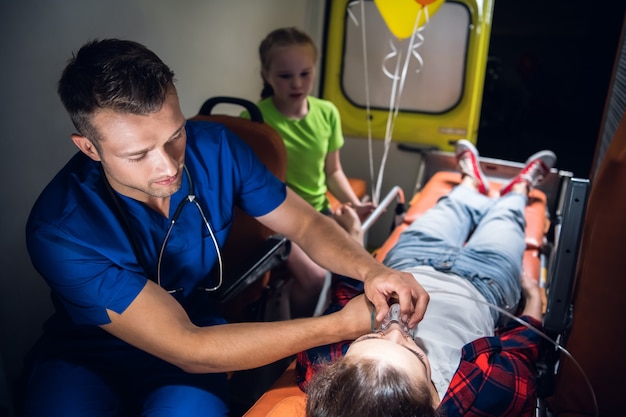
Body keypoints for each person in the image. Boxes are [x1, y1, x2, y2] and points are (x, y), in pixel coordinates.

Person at [20, 38, 429, 417]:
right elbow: (187, 348)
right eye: (138, 154)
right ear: (89, 147)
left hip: (196, 324)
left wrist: (371, 270)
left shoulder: (216, 147)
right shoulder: (60, 228)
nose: (168, 166)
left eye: (175, 134)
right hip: (90, 353)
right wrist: (339, 325)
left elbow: (304, 223)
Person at [298, 139, 555, 417]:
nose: (397, 327)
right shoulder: (490, 395)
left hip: (409, 262)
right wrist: (532, 295)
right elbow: (523, 347)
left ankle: (470, 180)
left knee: (451, 208)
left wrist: (358, 245)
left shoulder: (323, 360)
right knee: (507, 218)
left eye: (373, 336)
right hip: (486, 283)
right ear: (433, 404)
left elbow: (346, 296)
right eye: (413, 350)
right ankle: (520, 188)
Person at [242, 27, 375, 318]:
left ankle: (332, 315)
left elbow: (333, 171)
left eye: (305, 73)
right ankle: (297, 336)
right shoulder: (255, 120)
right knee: (315, 278)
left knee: (359, 262)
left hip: (319, 210)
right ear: (266, 75)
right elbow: (250, 189)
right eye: (285, 76)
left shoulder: (327, 113)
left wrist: (356, 202)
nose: (297, 83)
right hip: (279, 218)